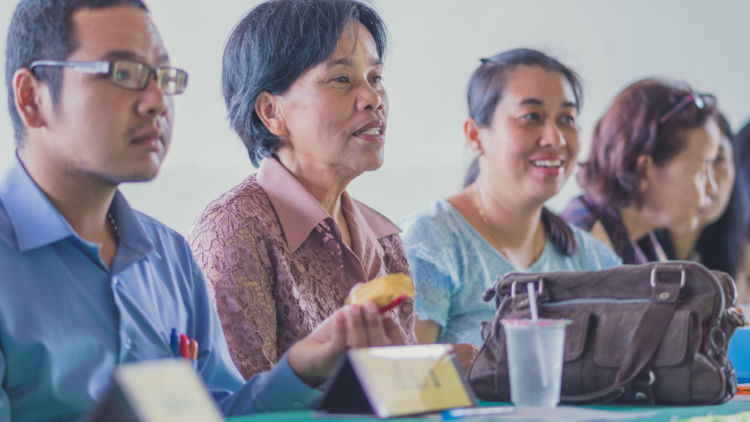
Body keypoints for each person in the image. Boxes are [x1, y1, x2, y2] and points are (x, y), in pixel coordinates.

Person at [0, 0, 403, 420]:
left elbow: (219, 411)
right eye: (124, 73)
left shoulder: (169, 258)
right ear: (32, 98)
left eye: (160, 77)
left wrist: (300, 369)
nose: (156, 100)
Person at [188, 0, 416, 380]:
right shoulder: (233, 230)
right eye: (341, 79)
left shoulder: (386, 240)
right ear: (271, 112)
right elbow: (239, 404)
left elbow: (401, 391)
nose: (373, 98)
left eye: (375, 78)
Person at [398, 49, 622, 349]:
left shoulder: (595, 260)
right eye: (531, 117)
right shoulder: (428, 244)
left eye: (567, 118)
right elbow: (403, 383)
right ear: (475, 136)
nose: (554, 139)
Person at [562, 79, 722, 265]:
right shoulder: (581, 248)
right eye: (700, 171)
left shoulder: (640, 242)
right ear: (644, 170)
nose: (712, 188)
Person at [653, 113, 744, 278]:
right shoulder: (622, 249)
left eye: (718, 160)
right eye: (700, 162)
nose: (709, 183)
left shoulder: (737, 259)